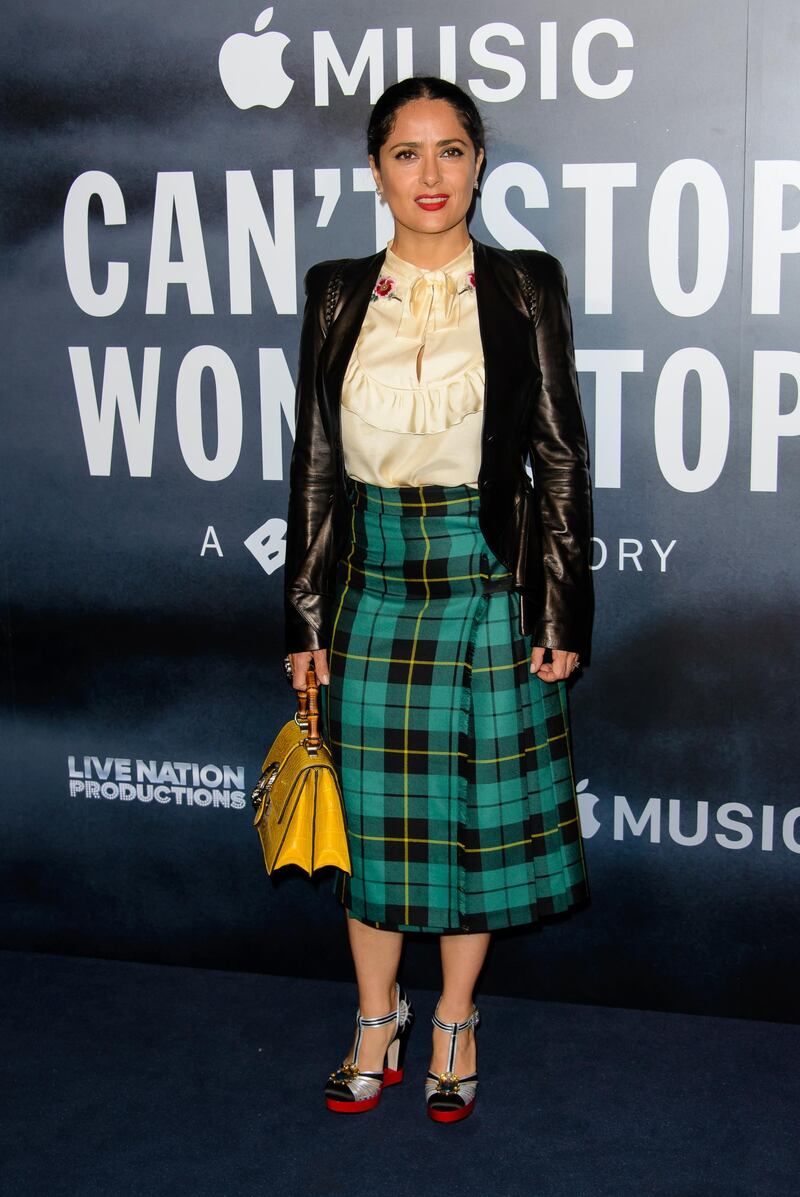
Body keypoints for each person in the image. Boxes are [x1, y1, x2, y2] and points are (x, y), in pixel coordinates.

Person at [283, 76, 593, 1123]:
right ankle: (377, 1017)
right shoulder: (334, 291)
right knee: (368, 824)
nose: (430, 173)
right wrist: (306, 621)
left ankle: (453, 1014)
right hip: (372, 578)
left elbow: (556, 458)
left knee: (473, 826)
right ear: (374, 169)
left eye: (451, 150)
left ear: (477, 162)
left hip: (484, 576)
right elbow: (316, 466)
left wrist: (556, 615)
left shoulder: (520, 286)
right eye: (406, 152)